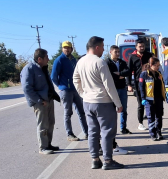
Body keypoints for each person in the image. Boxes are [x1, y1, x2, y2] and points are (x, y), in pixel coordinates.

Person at [73, 36, 124, 170]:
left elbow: (75, 79)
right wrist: (118, 103)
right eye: (102, 47)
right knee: (107, 132)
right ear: (96, 47)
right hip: (103, 102)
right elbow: (109, 85)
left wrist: (83, 94)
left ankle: (95, 159)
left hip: (88, 102)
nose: (103, 49)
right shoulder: (100, 62)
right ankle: (108, 160)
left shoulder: (81, 61)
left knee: (93, 132)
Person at [21, 48, 60, 154]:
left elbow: (48, 84)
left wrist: (56, 97)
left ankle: (48, 144)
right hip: (40, 102)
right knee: (43, 125)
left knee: (51, 123)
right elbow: (27, 88)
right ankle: (43, 147)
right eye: (46, 57)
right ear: (39, 59)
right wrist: (38, 100)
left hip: (49, 99)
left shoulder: (43, 68)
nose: (48, 59)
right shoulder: (29, 69)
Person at [51, 41, 88, 141]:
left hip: (75, 89)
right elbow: (53, 76)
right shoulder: (59, 60)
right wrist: (61, 86)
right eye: (64, 48)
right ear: (62, 49)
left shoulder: (73, 60)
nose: (66, 49)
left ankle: (87, 133)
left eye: (68, 48)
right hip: (66, 90)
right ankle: (69, 134)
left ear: (72, 49)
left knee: (81, 112)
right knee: (68, 113)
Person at [105, 45, 131, 155]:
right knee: (112, 112)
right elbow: (109, 75)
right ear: (110, 52)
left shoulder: (122, 62)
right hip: (112, 89)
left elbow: (128, 72)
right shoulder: (107, 62)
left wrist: (120, 74)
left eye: (118, 52)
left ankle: (123, 127)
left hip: (122, 89)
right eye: (115, 51)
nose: (117, 53)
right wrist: (118, 76)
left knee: (123, 109)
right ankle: (112, 133)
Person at [127, 39, 153, 131]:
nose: (142, 48)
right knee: (140, 103)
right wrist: (129, 84)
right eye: (140, 46)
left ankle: (152, 122)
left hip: (150, 82)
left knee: (151, 102)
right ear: (136, 47)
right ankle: (140, 123)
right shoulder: (132, 57)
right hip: (138, 83)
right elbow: (129, 72)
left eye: (143, 46)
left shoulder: (149, 55)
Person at [139, 57, 166, 141]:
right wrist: (143, 98)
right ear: (151, 65)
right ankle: (152, 134)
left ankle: (159, 132)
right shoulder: (144, 74)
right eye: (156, 65)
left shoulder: (159, 74)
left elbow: (162, 85)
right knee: (151, 117)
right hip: (149, 100)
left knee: (159, 116)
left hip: (159, 98)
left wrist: (165, 94)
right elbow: (141, 87)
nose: (158, 67)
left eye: (158, 65)